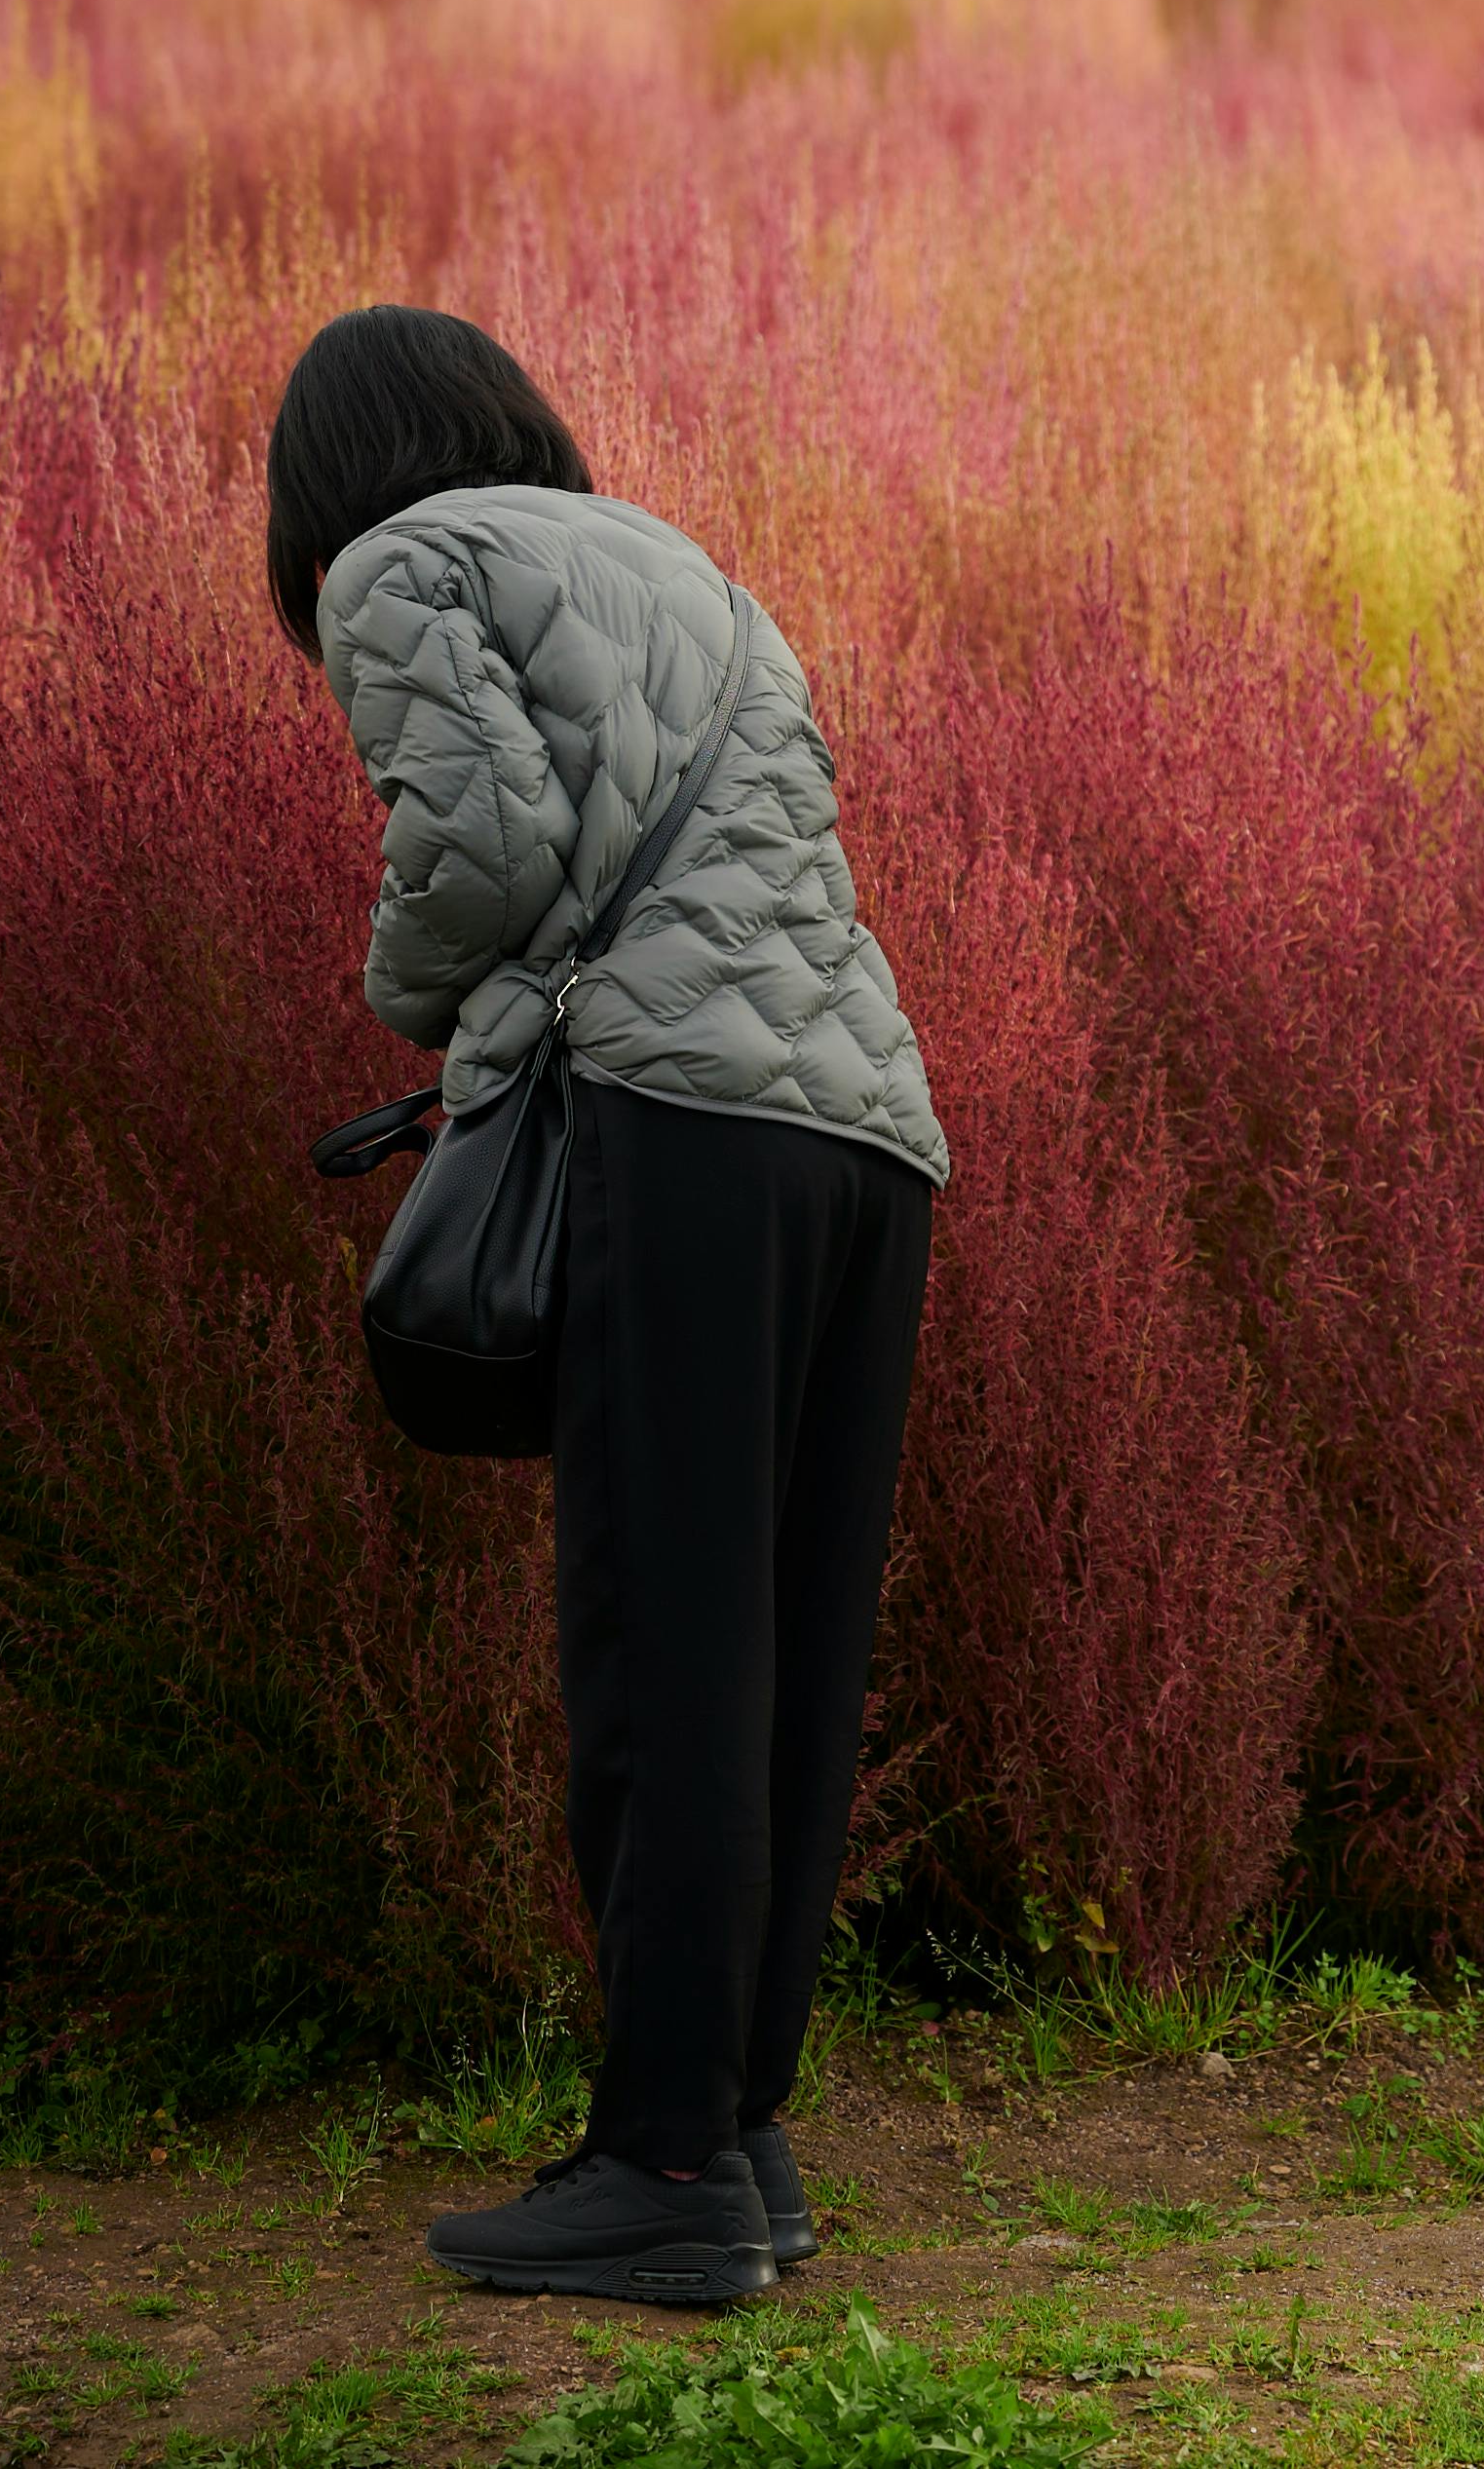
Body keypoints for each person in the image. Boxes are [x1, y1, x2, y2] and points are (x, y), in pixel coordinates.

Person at [264, 304, 954, 2308]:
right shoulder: (684, 564)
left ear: (328, 477)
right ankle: (734, 2134)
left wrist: (412, 996)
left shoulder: (398, 562)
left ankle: (657, 2159)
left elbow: (480, 845)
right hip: (869, 1131)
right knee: (786, 1652)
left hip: (685, 1126)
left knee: (664, 1649)